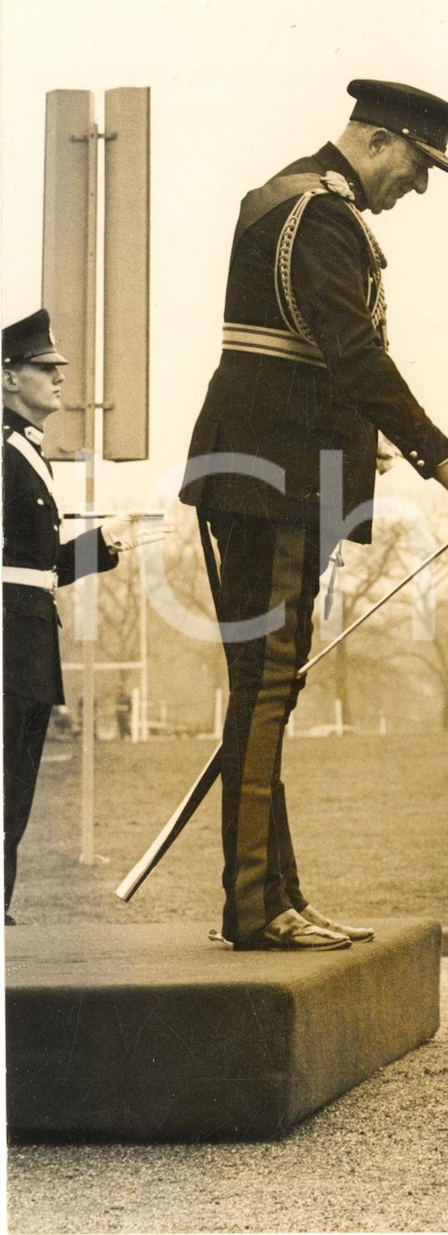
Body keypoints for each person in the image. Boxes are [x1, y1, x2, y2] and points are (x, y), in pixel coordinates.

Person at [179, 79, 448, 953]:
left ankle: (273, 897)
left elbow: (313, 352)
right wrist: (442, 459)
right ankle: (257, 906)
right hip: (275, 478)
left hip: (272, 471)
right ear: (378, 140)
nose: (417, 188)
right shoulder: (320, 213)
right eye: (417, 165)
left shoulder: (298, 201)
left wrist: (358, 435)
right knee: (267, 687)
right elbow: (353, 348)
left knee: (270, 687)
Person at [2, 309, 163, 923]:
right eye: (45, 368)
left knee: (14, 789)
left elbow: (38, 566)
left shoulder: (25, 452)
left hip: (26, 641)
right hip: (8, 642)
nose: (59, 379)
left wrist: (108, 540)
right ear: (8, 377)